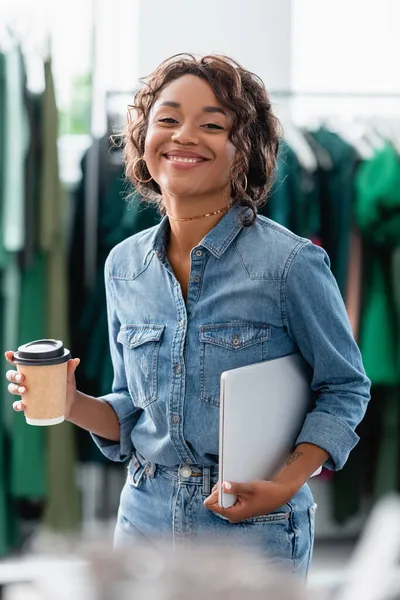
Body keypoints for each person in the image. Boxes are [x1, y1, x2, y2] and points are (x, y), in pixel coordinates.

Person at [6, 54, 371, 577]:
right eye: (168, 119)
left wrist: (285, 485)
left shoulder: (290, 263)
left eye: (213, 124)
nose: (185, 136)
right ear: (143, 137)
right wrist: (70, 402)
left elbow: (345, 387)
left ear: (245, 149)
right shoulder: (123, 266)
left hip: (254, 526)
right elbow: (133, 411)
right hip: (142, 517)